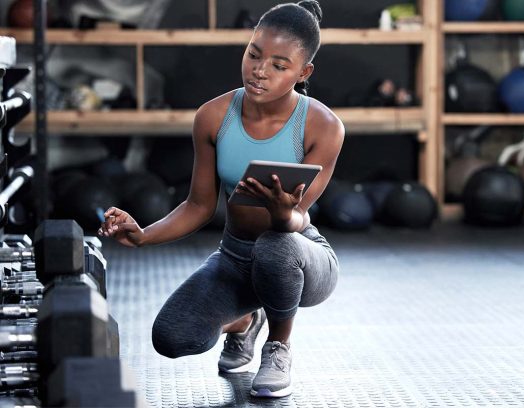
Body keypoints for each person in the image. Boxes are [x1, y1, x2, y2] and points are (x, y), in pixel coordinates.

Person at [98, 0, 344, 398]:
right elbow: (198, 205)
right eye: (254, 55)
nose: (260, 71)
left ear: (304, 73)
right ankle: (246, 318)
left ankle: (278, 346)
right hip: (235, 256)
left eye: (279, 66)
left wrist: (283, 215)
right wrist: (143, 235)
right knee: (173, 337)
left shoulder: (323, 126)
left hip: (302, 257)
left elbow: (297, 218)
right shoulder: (213, 117)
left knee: (275, 247)